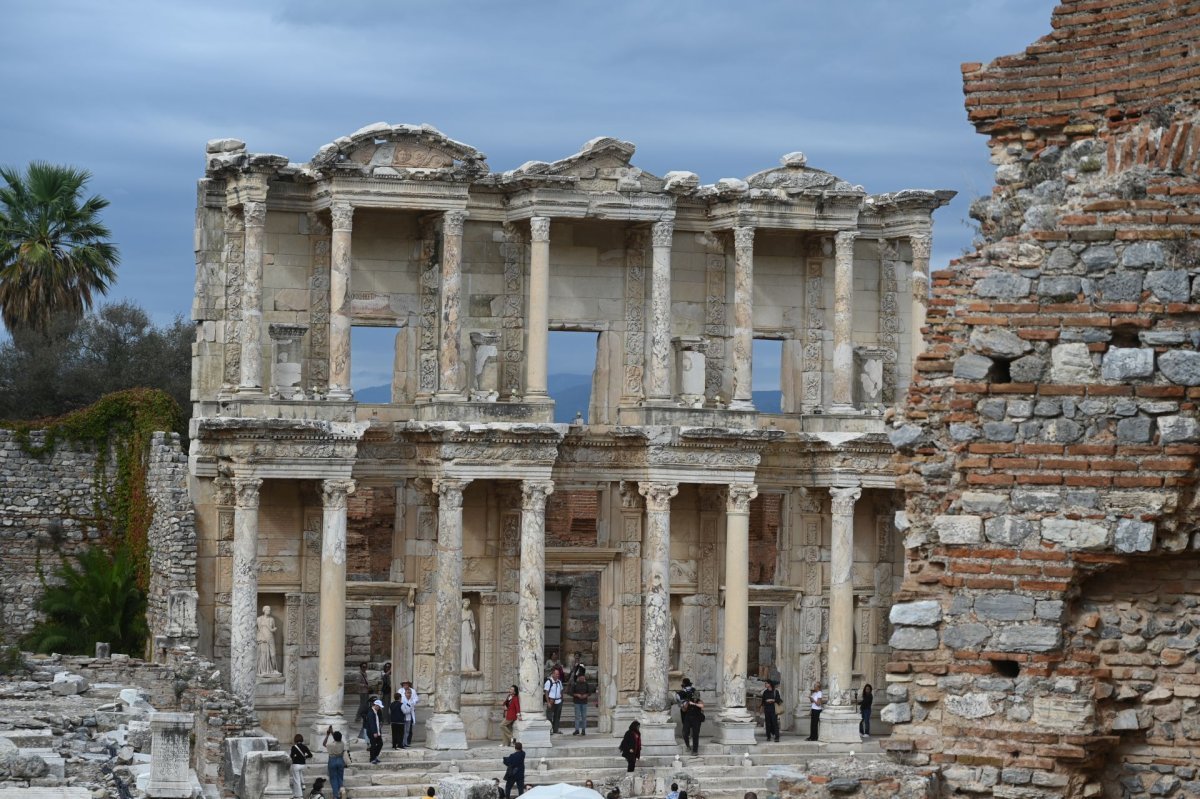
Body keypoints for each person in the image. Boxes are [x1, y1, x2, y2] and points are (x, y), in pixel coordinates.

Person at [676, 677, 704, 754]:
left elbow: (702, 706)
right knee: (685, 733)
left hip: (696, 718)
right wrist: (685, 704)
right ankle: (688, 745)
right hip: (688, 717)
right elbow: (684, 709)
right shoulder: (688, 700)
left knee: (695, 735)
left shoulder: (699, 701)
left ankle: (695, 751)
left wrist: (694, 703)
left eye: (696, 696)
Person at [322, 727, 349, 799]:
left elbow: (324, 743)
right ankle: (342, 791)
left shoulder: (331, 745)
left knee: (333, 778)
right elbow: (337, 738)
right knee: (340, 777)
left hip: (332, 760)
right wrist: (332, 732)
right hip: (340, 760)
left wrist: (328, 735)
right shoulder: (342, 743)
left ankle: (335, 796)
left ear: (334, 738)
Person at [289, 733, 313, 798]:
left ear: (295, 740)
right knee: (300, 774)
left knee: (296, 780)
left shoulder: (294, 747)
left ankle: (299, 795)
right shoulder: (304, 747)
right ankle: (303, 785)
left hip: (296, 765)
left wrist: (295, 756)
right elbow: (310, 755)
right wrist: (305, 757)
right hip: (303, 765)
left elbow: (291, 756)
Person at [544, 666, 565, 734]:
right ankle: (550, 729)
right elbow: (546, 692)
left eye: (558, 674)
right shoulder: (548, 682)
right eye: (556, 674)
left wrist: (562, 699)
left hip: (558, 701)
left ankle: (556, 729)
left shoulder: (559, 682)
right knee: (549, 716)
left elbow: (561, 690)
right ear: (552, 674)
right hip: (551, 701)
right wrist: (548, 702)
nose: (557, 675)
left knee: (557, 716)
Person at [399, 681, 419, 747]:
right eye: (404, 684)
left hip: (409, 716)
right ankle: (402, 742)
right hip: (403, 715)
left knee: (408, 730)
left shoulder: (412, 692)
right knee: (403, 730)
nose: (409, 694)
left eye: (406, 684)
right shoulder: (400, 691)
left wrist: (413, 703)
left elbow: (416, 699)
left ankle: (407, 742)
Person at [365, 698, 384, 763]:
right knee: (373, 745)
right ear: (375, 705)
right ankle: (372, 758)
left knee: (380, 744)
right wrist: (374, 732)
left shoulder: (376, 712)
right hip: (372, 732)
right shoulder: (371, 713)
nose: (379, 708)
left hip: (377, 731)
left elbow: (377, 722)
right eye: (379, 706)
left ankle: (374, 756)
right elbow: (372, 723)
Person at [763, 679, 782, 743]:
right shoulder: (765, 692)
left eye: (766, 683)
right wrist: (765, 702)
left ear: (769, 684)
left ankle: (777, 737)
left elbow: (779, 700)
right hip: (767, 709)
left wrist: (772, 700)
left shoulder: (775, 691)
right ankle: (768, 736)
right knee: (768, 723)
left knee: (775, 723)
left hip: (773, 709)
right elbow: (763, 701)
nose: (765, 684)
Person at [354, 663, 371, 734]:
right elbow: (357, 683)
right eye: (363, 667)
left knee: (366, 705)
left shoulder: (365, 673)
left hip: (366, 691)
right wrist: (364, 685)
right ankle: (357, 717)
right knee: (362, 705)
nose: (365, 668)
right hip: (362, 692)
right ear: (361, 667)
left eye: (366, 667)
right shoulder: (359, 674)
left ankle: (364, 717)